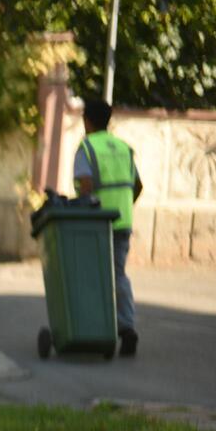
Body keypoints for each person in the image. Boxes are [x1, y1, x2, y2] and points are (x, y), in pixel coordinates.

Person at [74, 96, 142, 357]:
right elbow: (137, 186)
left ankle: (94, 329)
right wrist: (123, 205)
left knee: (92, 276)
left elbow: (86, 185)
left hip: (94, 222)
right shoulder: (123, 148)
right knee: (118, 274)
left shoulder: (87, 147)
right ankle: (126, 327)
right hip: (122, 220)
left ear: (87, 121)